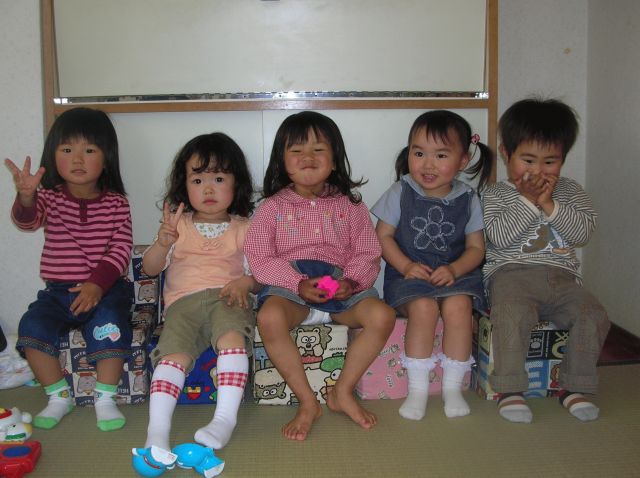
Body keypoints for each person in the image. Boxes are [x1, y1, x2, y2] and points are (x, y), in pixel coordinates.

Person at [244, 111, 396, 441]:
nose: (308, 158)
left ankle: (342, 391)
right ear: (282, 161)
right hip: (292, 288)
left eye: (318, 149)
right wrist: (294, 283)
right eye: (296, 150)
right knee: (268, 318)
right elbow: (260, 258)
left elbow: (368, 252)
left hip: (340, 286)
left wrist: (351, 282)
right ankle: (307, 402)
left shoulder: (351, 205)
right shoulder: (271, 208)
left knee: (382, 316)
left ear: (335, 158)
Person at [483, 98, 610, 423]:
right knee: (511, 315)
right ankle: (510, 389)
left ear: (563, 159)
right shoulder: (496, 193)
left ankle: (573, 386)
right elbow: (499, 237)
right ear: (506, 153)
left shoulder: (571, 191)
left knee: (593, 314)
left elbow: (582, 233)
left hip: (562, 277)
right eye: (528, 160)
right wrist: (528, 200)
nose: (538, 170)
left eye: (550, 162)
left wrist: (550, 204)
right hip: (511, 274)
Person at [6, 107, 133, 431]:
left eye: (89, 150)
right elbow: (27, 220)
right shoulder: (48, 198)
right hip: (58, 292)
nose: (77, 159)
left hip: (106, 289)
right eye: (67, 150)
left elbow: (121, 250)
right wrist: (26, 196)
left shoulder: (117, 203)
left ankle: (105, 399)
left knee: (110, 324)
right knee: (31, 326)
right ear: (53, 156)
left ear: (107, 157)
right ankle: (58, 396)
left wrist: (97, 285)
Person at [138, 132, 258, 466]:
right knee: (172, 356)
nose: (208, 189)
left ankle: (224, 419)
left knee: (232, 339)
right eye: (198, 179)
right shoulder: (177, 225)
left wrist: (246, 282)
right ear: (184, 184)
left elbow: (260, 276)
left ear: (237, 184)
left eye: (219, 179)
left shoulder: (245, 228)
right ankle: (157, 430)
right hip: (183, 305)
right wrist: (163, 242)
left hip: (227, 298)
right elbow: (149, 268)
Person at [372, 110, 493, 421]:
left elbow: (476, 249)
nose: (427, 164)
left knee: (459, 307)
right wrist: (406, 265)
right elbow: (382, 237)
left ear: (463, 160)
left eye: (440, 155)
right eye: (419, 153)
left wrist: (455, 270)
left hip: (455, 275)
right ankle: (418, 389)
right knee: (424, 308)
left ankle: (452, 387)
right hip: (408, 276)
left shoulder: (469, 198)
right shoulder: (401, 191)